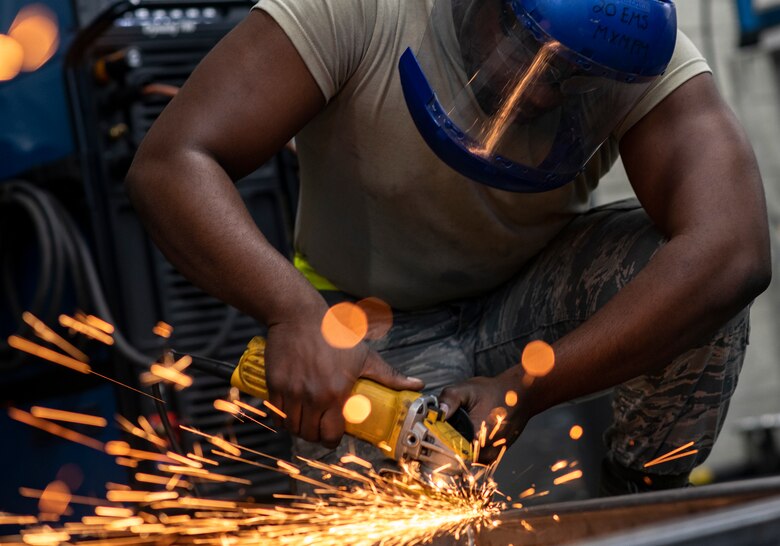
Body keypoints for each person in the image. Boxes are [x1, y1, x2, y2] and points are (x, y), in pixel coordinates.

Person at [125, 0, 771, 495]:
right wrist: (294, 312)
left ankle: (639, 498)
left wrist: (523, 388)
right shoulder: (357, 11)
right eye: (527, 50)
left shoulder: (630, 48)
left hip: (528, 306)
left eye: (575, 78)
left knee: (702, 295)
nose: (544, 90)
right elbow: (171, 163)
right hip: (372, 324)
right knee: (383, 500)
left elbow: (734, 250)